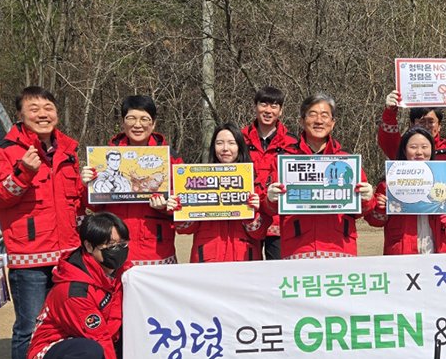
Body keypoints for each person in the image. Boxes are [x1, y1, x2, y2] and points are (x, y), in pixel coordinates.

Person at [0, 86, 85, 359]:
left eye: (48, 107)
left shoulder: (69, 151)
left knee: (66, 324)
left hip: (68, 256)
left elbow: (76, 203)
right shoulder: (6, 151)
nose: (42, 114)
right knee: (29, 326)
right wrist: (23, 171)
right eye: (34, 108)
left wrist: (89, 186)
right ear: (20, 115)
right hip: (29, 258)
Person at [26, 212, 131, 359]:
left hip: (90, 339)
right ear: (89, 246)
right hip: (51, 350)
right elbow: (100, 340)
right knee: (88, 352)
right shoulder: (75, 291)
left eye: (122, 244)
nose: (119, 251)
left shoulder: (114, 270)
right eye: (110, 246)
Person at [263, 93, 375, 259]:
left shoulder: (347, 161)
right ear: (302, 121)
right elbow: (268, 209)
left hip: (340, 247)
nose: (319, 121)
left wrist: (367, 198)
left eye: (325, 115)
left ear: (333, 122)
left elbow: (363, 211)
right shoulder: (285, 160)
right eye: (313, 114)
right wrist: (270, 199)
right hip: (298, 248)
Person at [82, 95, 180, 265]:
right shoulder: (102, 157)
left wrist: (166, 206)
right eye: (131, 118)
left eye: (144, 119)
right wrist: (86, 185)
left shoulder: (170, 158)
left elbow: (182, 201)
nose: (137, 124)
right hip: (115, 245)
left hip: (157, 248)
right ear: (123, 122)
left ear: (153, 123)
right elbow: (92, 206)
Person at [366, 127, 446, 255]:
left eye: (425, 147)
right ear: (404, 150)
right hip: (402, 254)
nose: (419, 152)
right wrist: (380, 208)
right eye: (413, 147)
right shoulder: (390, 183)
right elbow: (375, 221)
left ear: (432, 150)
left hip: (439, 253)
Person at [177, 124, 268, 262]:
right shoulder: (199, 181)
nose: (225, 148)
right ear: (213, 147)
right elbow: (185, 229)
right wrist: (180, 210)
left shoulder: (253, 181)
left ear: (240, 146)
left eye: (231, 143)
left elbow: (260, 233)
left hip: (244, 261)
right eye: (219, 143)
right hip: (207, 260)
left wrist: (251, 214)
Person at [242, 86, 301, 260]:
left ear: (280, 111)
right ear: (255, 106)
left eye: (274, 106)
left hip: (279, 221)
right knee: (248, 270)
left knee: (279, 271)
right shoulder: (239, 139)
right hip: (247, 216)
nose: (268, 110)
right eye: (264, 104)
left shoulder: (293, 143)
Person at [377, 88, 446, 161]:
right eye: (422, 122)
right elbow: (388, 140)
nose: (426, 126)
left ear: (439, 126)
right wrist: (390, 111)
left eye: (431, 122)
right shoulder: (403, 148)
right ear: (412, 124)